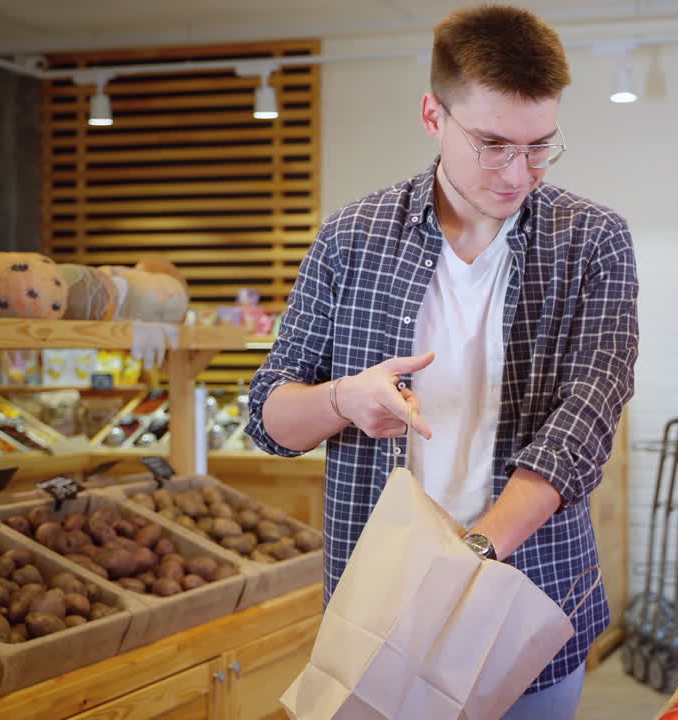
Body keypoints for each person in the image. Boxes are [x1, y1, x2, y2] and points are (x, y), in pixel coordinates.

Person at [244, 5, 639, 718]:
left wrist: (474, 555)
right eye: (492, 144)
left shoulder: (594, 241)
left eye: (540, 146)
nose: (519, 173)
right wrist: (343, 400)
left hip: (533, 598)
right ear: (434, 115)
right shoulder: (351, 238)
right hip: (377, 609)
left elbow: (586, 416)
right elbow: (269, 416)